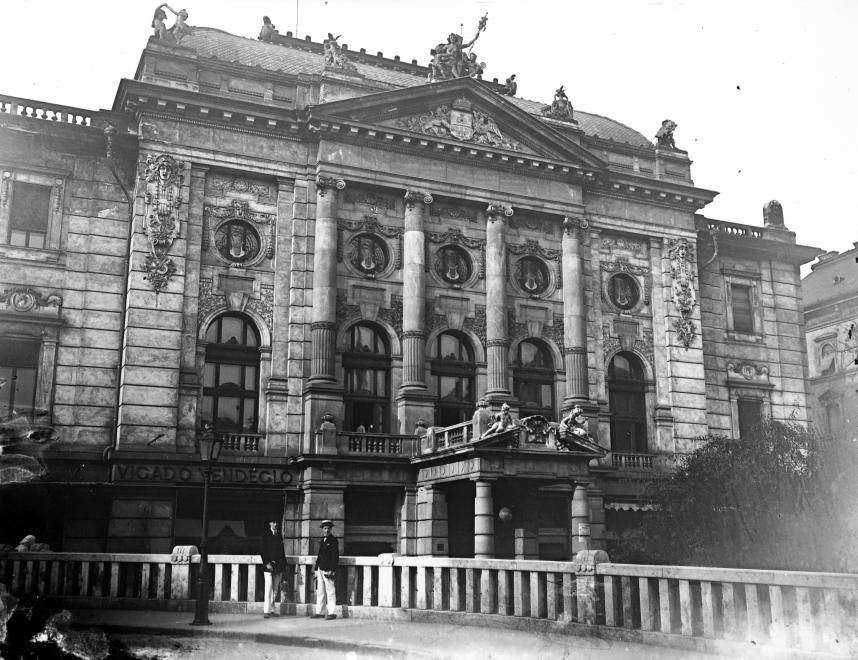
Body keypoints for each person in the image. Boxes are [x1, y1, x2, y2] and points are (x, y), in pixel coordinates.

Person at [311, 520, 339, 620]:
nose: (326, 530)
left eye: (328, 528)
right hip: (320, 569)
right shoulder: (323, 540)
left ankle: (332, 612)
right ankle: (320, 612)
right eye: (325, 528)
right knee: (320, 591)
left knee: (330, 591)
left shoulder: (333, 541)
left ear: (331, 529)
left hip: (328, 569)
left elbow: (335, 557)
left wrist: (332, 570)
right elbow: (320, 555)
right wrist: (316, 569)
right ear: (322, 529)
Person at [260, 517, 286, 619]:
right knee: (268, 587)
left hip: (278, 566)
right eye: (273, 522)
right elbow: (262, 550)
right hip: (268, 566)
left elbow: (281, 552)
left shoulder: (278, 535)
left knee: (275, 589)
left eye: (276, 522)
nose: (275, 524)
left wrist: (283, 565)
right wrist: (267, 563)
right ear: (269, 523)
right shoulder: (265, 534)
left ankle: (271, 610)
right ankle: (266, 611)